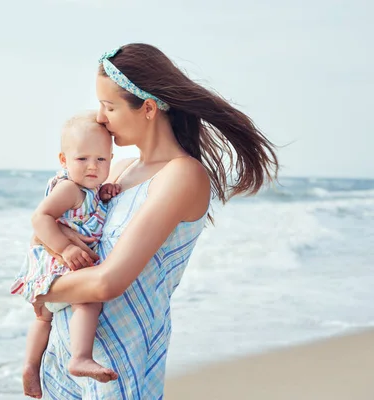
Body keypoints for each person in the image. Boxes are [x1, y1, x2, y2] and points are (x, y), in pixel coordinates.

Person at [34, 43, 279, 399]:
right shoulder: (117, 170)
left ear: (147, 108)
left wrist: (39, 290)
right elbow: (42, 229)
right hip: (67, 353)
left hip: (119, 363)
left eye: (110, 106)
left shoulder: (182, 176)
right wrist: (57, 245)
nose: (101, 118)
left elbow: (107, 283)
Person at [10, 111, 122, 399]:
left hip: (50, 271)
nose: (92, 167)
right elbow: (40, 218)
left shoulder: (89, 189)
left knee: (43, 321)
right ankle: (80, 357)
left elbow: (89, 209)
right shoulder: (70, 188)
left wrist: (106, 192)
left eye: (101, 159)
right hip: (58, 265)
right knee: (88, 302)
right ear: (64, 160)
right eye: (82, 159)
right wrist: (66, 248)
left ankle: (30, 366)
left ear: (111, 159)